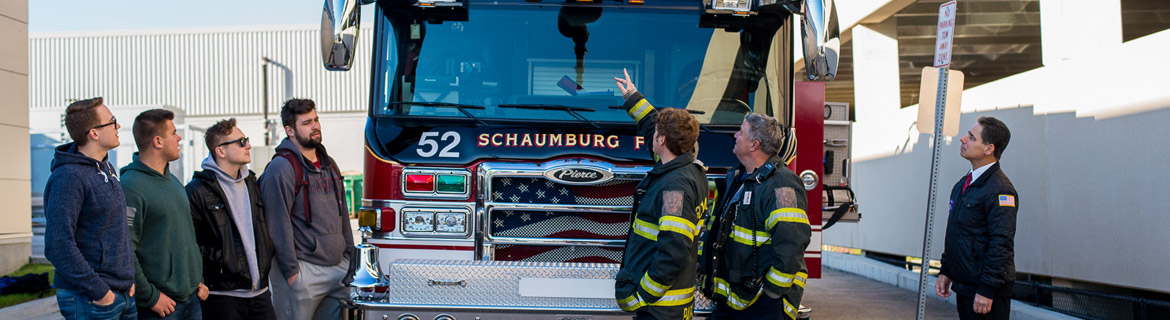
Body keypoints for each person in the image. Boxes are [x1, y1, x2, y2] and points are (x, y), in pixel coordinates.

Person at [613, 70, 708, 320]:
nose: (651, 134)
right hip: (669, 305)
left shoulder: (674, 187)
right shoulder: (684, 164)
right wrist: (633, 98)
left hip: (660, 308)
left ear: (662, 140)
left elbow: (674, 253)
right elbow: (651, 126)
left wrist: (642, 295)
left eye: (656, 132)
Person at [697, 112, 811, 320]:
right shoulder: (739, 178)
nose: (734, 135)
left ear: (754, 145)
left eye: (740, 131)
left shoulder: (782, 184)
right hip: (733, 300)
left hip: (763, 304)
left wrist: (772, 294)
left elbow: (790, 246)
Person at [261, 99, 355, 320]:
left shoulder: (329, 164)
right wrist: (292, 272)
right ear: (289, 130)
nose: (315, 126)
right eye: (306, 123)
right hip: (304, 272)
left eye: (316, 120)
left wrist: (349, 259)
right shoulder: (281, 168)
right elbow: (277, 223)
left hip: (338, 269)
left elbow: (343, 216)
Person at [44, 97, 138, 319]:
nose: (118, 127)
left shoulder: (107, 169)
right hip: (91, 299)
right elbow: (58, 244)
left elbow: (115, 231)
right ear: (94, 133)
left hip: (122, 294)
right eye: (112, 121)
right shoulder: (68, 177)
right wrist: (100, 291)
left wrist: (128, 279)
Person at [121, 109, 208, 319]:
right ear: (158, 141)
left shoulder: (173, 182)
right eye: (174, 133)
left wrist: (195, 277)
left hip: (191, 297)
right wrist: (150, 297)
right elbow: (124, 250)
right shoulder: (131, 188)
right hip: (161, 306)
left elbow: (182, 236)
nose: (179, 138)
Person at [186, 118, 277, 319]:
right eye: (241, 141)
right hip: (222, 296)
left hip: (260, 293)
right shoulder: (197, 191)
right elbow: (190, 243)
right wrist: (223, 261)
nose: (249, 145)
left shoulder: (251, 182)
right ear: (221, 151)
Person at [935, 116, 1018, 320]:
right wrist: (946, 270)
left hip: (985, 292)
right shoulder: (963, 185)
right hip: (966, 286)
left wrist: (987, 290)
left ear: (989, 149)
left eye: (971, 137)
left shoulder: (1001, 190)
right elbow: (957, 233)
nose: (963, 139)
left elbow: (1001, 244)